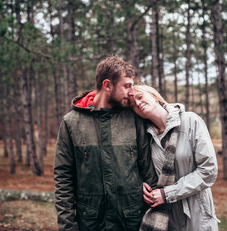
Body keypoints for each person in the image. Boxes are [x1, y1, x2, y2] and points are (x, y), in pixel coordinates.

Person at [53, 56, 158, 231]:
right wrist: (68, 226)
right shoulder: (71, 122)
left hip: (131, 222)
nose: (131, 92)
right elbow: (63, 178)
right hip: (91, 223)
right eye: (127, 86)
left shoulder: (134, 119)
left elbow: (149, 172)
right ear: (107, 85)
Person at [130, 85, 220, 231]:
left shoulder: (191, 121)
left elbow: (208, 171)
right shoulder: (145, 137)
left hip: (197, 216)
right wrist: (140, 183)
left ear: (154, 96)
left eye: (140, 97)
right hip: (167, 219)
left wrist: (168, 194)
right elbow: (145, 169)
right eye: (133, 105)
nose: (138, 104)